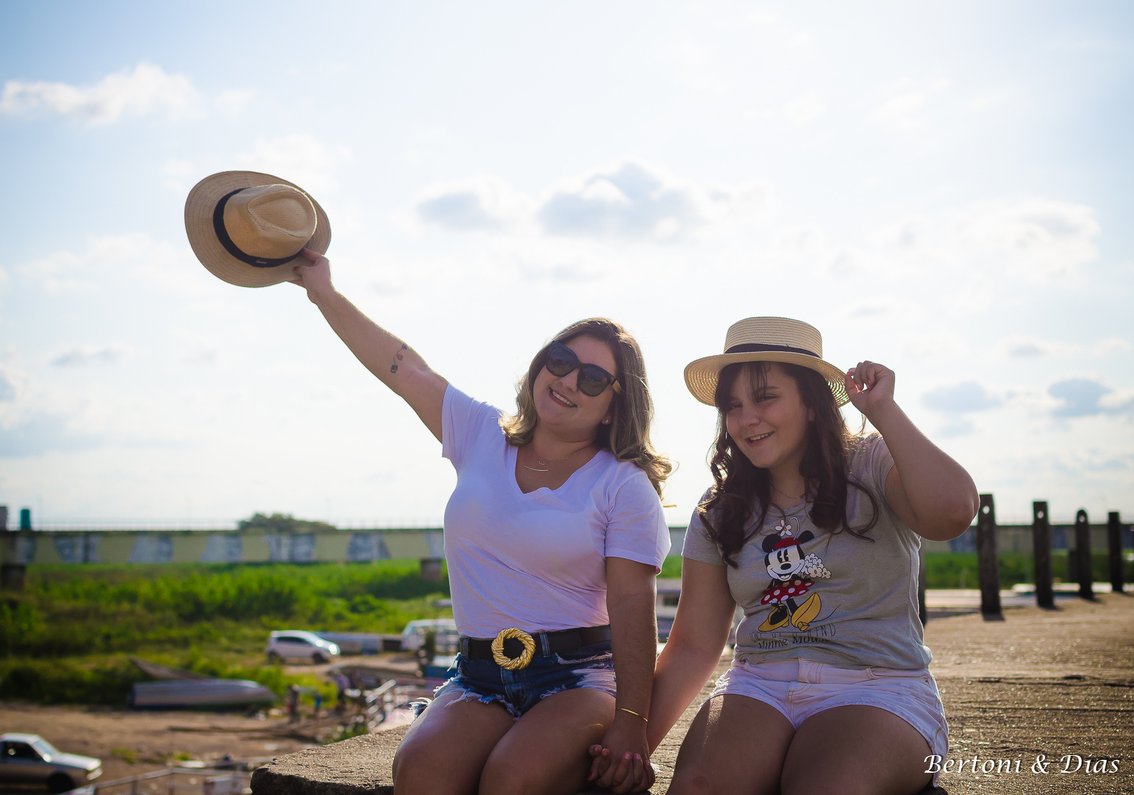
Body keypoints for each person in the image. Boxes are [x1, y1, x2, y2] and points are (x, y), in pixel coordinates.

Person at [290, 248, 671, 795]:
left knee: (513, 778)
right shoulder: (480, 433)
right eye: (561, 360)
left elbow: (633, 606)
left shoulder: (623, 484)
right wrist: (323, 292)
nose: (568, 381)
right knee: (420, 771)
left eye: (592, 379)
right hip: (477, 675)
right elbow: (406, 368)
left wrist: (632, 721)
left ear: (614, 405)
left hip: (579, 676)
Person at [593, 316, 978, 794]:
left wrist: (884, 410)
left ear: (812, 404)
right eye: (733, 405)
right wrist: (633, 744)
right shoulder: (720, 507)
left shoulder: (872, 464)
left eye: (765, 397)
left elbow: (953, 513)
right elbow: (692, 645)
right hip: (758, 686)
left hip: (877, 687)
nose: (746, 418)